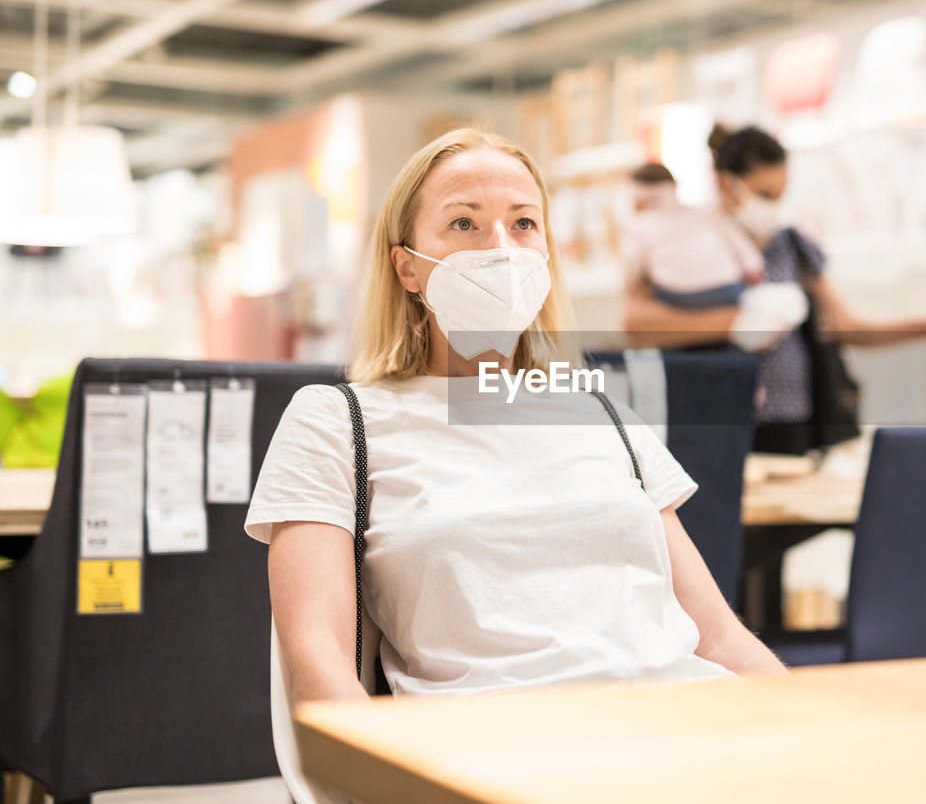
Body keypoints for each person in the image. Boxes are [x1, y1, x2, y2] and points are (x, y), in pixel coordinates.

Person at [248, 128, 785, 704]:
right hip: (497, 752)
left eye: (524, 222)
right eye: (464, 223)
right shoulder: (336, 421)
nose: (500, 247)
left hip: (683, 728)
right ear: (406, 268)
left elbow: (719, 637)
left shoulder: (603, 414)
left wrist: (824, 726)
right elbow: (318, 661)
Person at [623, 125, 926, 455]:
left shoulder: (793, 246)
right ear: (728, 185)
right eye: (765, 194)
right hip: (709, 416)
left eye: (782, 193)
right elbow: (635, 322)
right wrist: (741, 322)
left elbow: (845, 325)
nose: (774, 204)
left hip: (789, 421)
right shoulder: (680, 242)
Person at [624, 162, 763, 309]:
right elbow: (749, 256)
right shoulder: (707, 212)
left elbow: (632, 270)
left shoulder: (639, 225)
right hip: (727, 289)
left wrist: (631, 291)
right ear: (675, 187)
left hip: (678, 295)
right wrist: (753, 272)